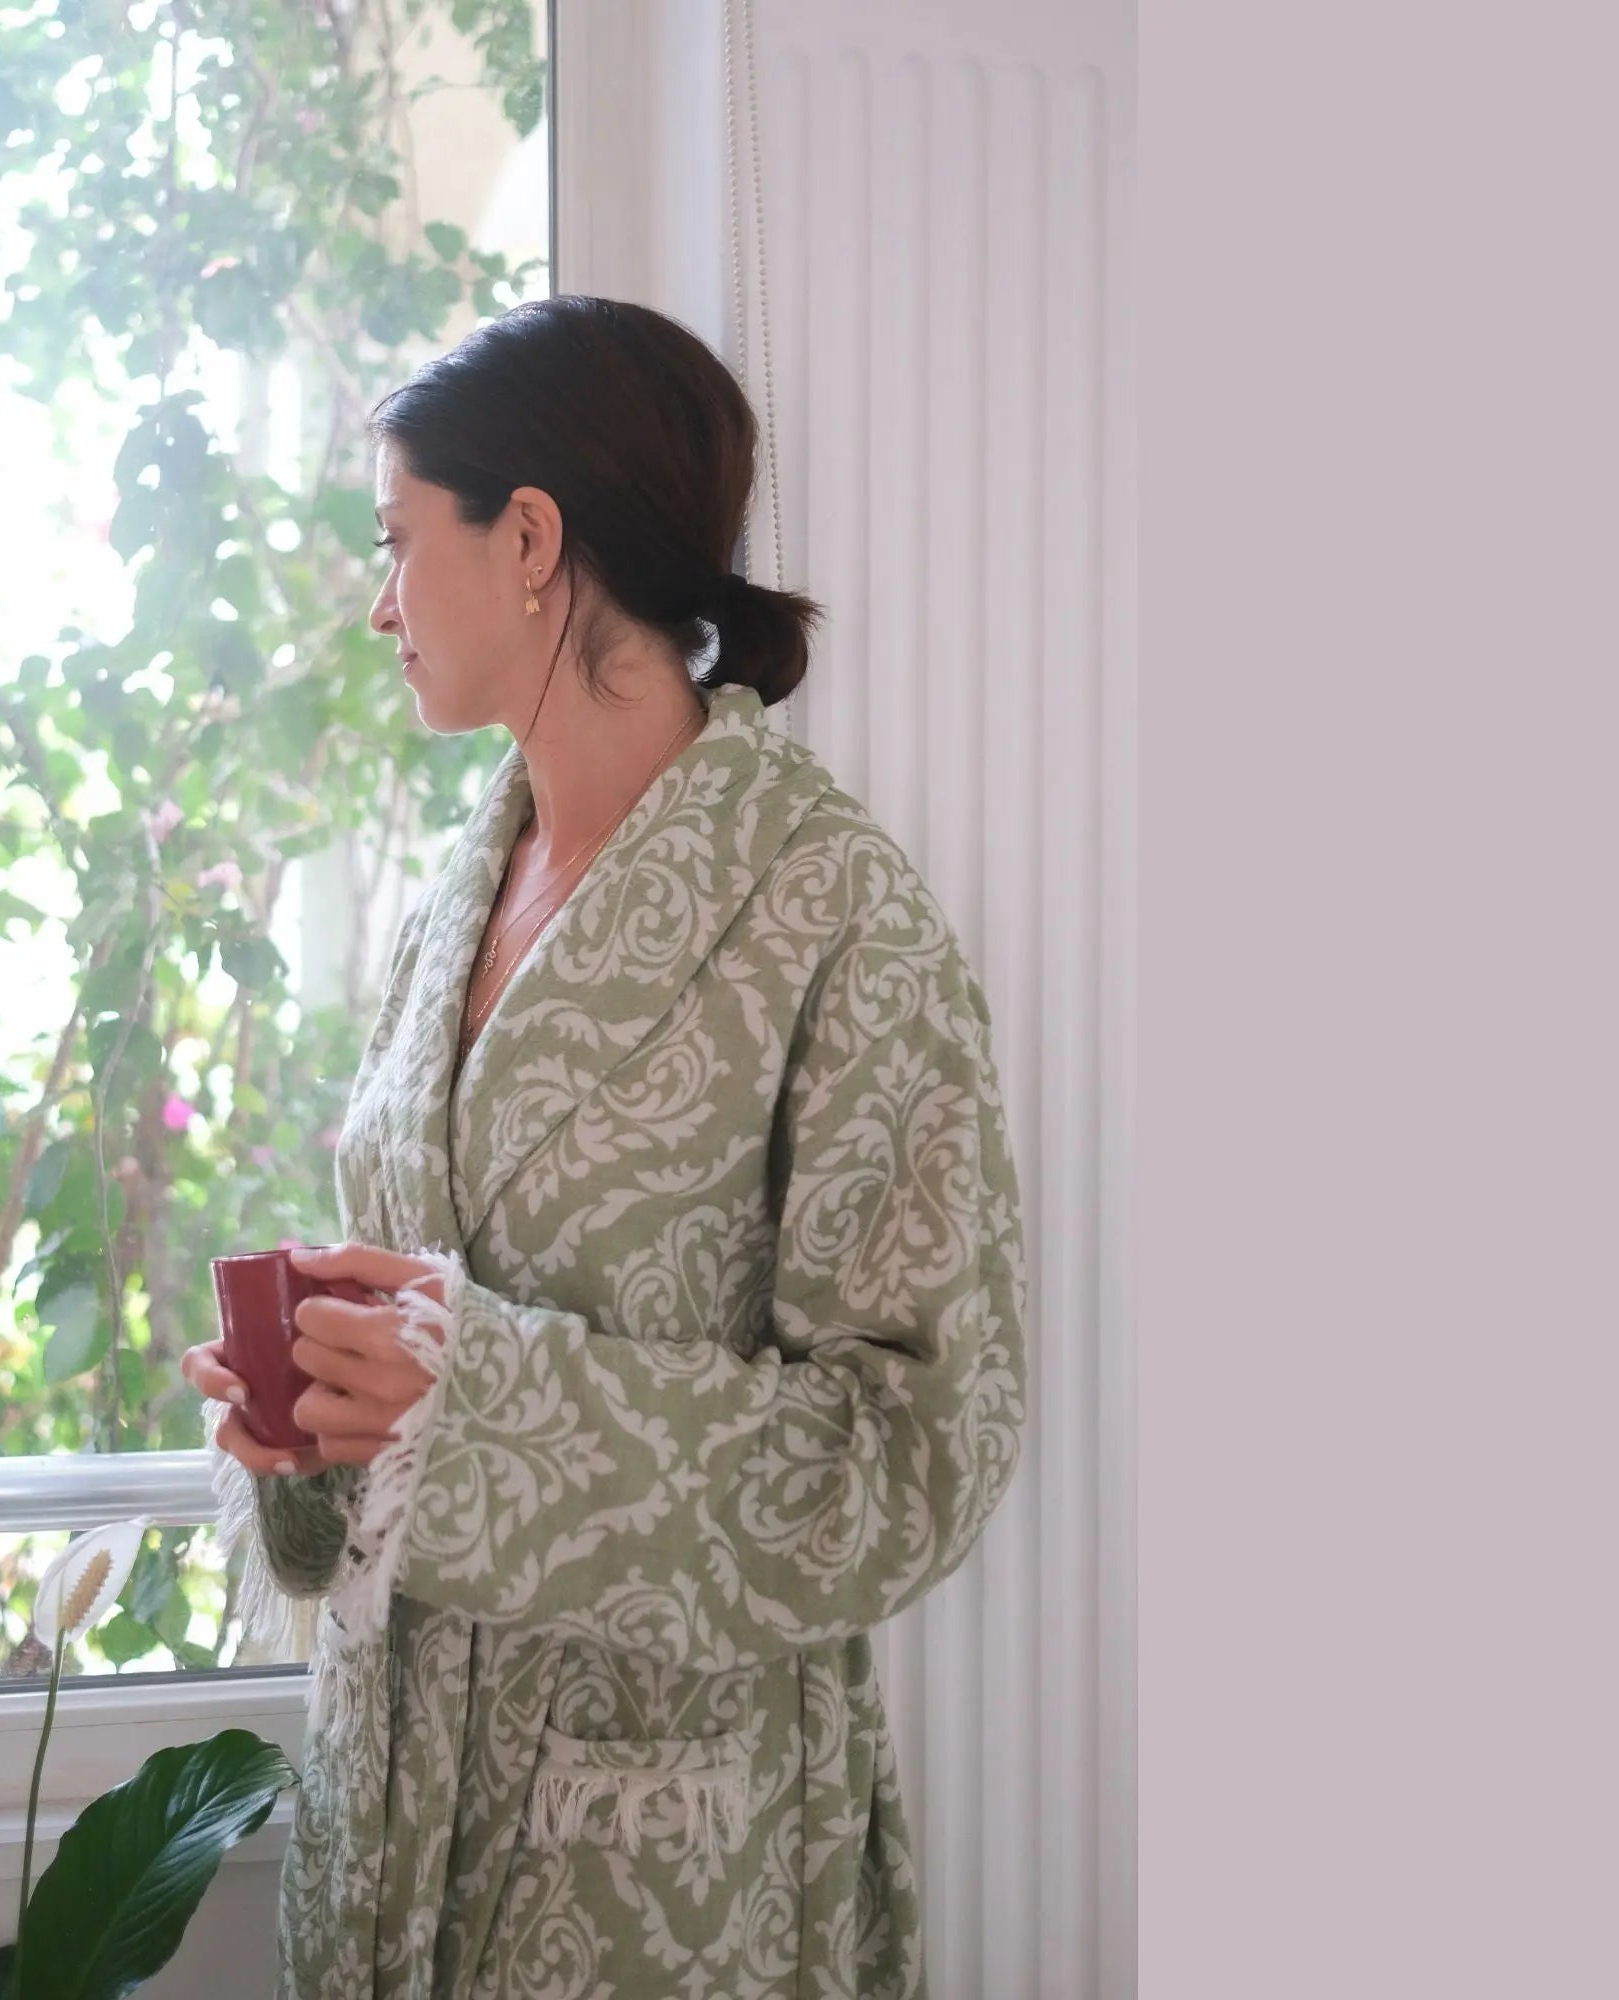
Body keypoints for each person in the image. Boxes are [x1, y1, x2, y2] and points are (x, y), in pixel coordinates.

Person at [180, 294, 1029, 2000]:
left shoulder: (831, 911)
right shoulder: (455, 892)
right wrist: (328, 1409)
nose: (378, 600)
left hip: (665, 1868)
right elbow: (439, 1311)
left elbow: (922, 1444)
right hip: (391, 1824)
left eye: (399, 540)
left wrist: (469, 1401)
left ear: (533, 543)